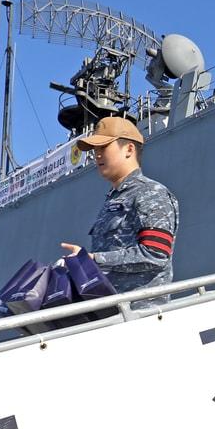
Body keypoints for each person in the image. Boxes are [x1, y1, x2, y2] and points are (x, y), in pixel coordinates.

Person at [60, 117, 178, 308]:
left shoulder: (149, 193)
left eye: (103, 147)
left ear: (129, 149)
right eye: (95, 150)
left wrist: (95, 259)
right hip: (113, 312)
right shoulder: (113, 199)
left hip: (141, 315)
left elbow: (155, 254)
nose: (96, 155)